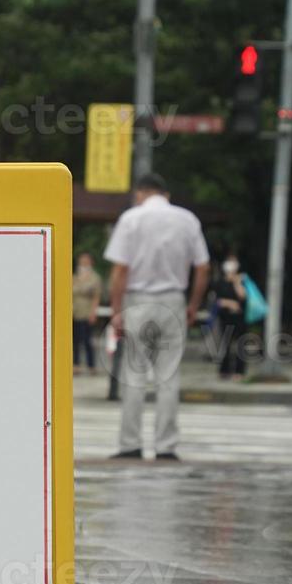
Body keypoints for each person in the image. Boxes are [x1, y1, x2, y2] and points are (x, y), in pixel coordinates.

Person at [104, 173, 211, 460]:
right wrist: (193, 305)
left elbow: (120, 271)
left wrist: (116, 311)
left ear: (140, 193)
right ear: (166, 194)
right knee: (168, 377)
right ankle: (166, 446)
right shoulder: (188, 220)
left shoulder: (131, 219)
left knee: (134, 376)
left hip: (138, 301)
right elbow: (202, 268)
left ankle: (130, 444)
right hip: (173, 300)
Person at [212, 255, 248, 380]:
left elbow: (243, 296)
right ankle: (224, 370)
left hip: (240, 318)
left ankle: (239, 371)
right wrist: (230, 303)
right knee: (225, 344)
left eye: (233, 263)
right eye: (229, 262)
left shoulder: (242, 280)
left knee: (240, 344)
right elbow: (217, 301)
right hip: (225, 317)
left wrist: (236, 282)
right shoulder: (220, 282)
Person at [72, 253, 102, 374]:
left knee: (87, 340)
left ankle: (91, 365)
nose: (83, 264)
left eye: (86, 261)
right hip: (75, 312)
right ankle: (76, 364)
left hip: (87, 311)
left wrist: (93, 313)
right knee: (75, 340)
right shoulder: (74, 277)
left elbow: (96, 297)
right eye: (81, 261)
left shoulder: (95, 278)